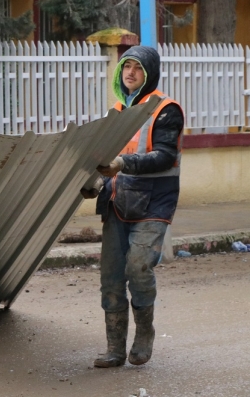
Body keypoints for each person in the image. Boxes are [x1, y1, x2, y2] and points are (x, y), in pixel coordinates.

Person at [80, 45, 184, 368]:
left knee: (138, 267)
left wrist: (122, 163)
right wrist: (93, 182)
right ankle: (114, 348)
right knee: (111, 277)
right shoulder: (117, 111)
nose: (130, 73)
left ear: (149, 73)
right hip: (118, 200)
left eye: (137, 68)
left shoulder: (166, 110)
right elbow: (104, 159)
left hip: (154, 201)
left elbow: (165, 155)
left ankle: (144, 333)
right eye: (126, 66)